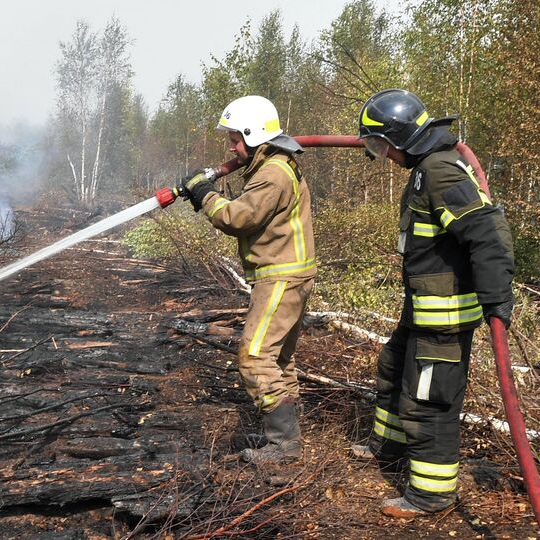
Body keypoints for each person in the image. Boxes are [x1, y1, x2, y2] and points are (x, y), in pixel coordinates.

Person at [353, 89, 515, 517]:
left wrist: (498, 300)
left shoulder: (440, 170)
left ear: (400, 138)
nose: (382, 155)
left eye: (380, 144)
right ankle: (389, 447)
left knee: (429, 401)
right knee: (393, 366)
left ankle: (431, 494)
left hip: (443, 318)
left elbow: (486, 232)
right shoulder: (427, 167)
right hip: (423, 310)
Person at [178, 95, 315, 465]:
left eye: (235, 139)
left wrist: (206, 195)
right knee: (278, 360)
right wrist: (208, 197)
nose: (231, 147)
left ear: (255, 137)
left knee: (254, 357)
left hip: (282, 277)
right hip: (288, 274)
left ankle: (284, 445)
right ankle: (286, 438)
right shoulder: (275, 166)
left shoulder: (272, 173)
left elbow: (238, 218)